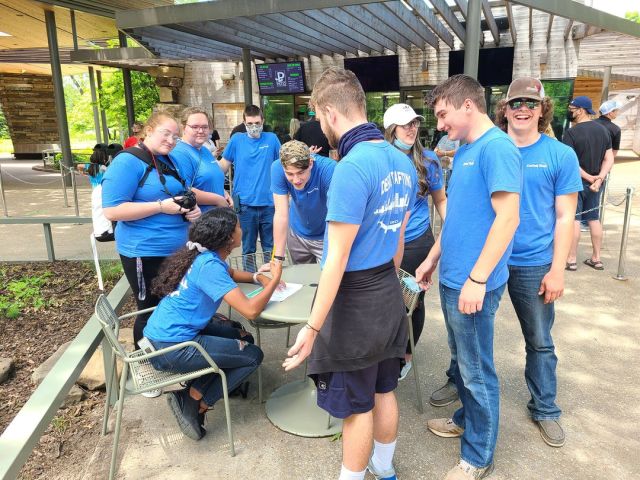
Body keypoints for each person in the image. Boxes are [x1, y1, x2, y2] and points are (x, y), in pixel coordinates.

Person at [283, 67, 417, 480]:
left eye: (319, 118)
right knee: (383, 389)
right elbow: (397, 245)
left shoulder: (351, 168)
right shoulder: (402, 162)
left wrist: (311, 326)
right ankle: (386, 469)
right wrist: (387, 290)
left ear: (328, 111)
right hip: (385, 291)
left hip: (355, 300)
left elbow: (335, 260)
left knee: (356, 407)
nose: (320, 127)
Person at [415, 74, 521, 480]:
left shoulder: (498, 149)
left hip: (473, 283)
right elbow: (457, 214)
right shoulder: (463, 149)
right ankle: (465, 417)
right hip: (454, 276)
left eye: (443, 115)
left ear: (467, 106)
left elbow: (508, 218)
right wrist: (432, 258)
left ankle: (477, 456)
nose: (440, 125)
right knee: (463, 362)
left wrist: (477, 279)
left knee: (477, 370)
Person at [495, 77, 582, 448]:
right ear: (505, 108)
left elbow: (566, 217)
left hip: (533, 263)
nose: (522, 109)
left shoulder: (560, 154)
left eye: (530, 103)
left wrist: (557, 268)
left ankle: (545, 408)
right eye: (516, 103)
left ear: (542, 109)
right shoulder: (491, 149)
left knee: (540, 341)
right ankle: (459, 386)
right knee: (467, 332)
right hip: (489, 258)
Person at [143, 208, 283, 440]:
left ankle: (217, 385)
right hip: (171, 347)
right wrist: (275, 280)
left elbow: (232, 273)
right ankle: (196, 401)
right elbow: (251, 309)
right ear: (229, 237)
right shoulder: (209, 267)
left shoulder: (205, 256)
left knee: (241, 336)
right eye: (238, 226)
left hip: (162, 334)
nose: (242, 229)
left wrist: (258, 277)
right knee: (252, 355)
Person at [102, 111, 201, 362]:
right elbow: (112, 210)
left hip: (177, 249)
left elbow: (183, 193)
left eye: (175, 136)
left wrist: (192, 209)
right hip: (144, 251)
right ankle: (143, 362)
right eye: (165, 133)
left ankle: (172, 358)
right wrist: (160, 206)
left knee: (173, 306)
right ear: (148, 131)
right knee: (149, 310)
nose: (170, 140)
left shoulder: (171, 160)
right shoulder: (127, 162)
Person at [383, 103, 446, 381]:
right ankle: (385, 352)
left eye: (414, 123)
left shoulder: (428, 160)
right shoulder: (379, 158)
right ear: (390, 129)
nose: (411, 128)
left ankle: (406, 356)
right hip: (383, 242)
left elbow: (441, 201)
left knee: (412, 302)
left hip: (417, 243)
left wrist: (452, 230)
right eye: (404, 123)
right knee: (383, 300)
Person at [219, 105, 281, 259]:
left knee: (270, 247)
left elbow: (283, 166)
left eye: (257, 123)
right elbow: (222, 168)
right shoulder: (237, 140)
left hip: (269, 203)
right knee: (247, 248)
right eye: (250, 124)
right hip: (244, 205)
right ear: (244, 123)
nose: (254, 127)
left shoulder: (272, 139)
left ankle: (271, 278)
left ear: (263, 121)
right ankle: (250, 278)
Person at [562, 96, 614, 271]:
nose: (570, 110)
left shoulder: (571, 133)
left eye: (572, 108)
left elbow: (571, 162)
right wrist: (599, 177)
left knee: (575, 219)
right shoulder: (603, 131)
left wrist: (589, 177)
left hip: (577, 182)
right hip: (596, 183)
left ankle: (571, 259)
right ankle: (597, 258)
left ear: (581, 110)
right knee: (594, 218)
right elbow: (609, 158)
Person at [270, 140, 335, 264]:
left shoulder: (329, 170)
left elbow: (336, 214)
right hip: (297, 233)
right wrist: (277, 259)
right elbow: (281, 214)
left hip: (325, 235)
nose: (296, 180)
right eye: (289, 174)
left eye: (301, 173)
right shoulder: (277, 168)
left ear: (310, 163)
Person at [171, 107, 232, 213]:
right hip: (201, 220)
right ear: (183, 127)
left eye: (205, 127)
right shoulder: (179, 153)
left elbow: (209, 180)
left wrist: (224, 194)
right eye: (195, 127)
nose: (201, 131)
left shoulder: (204, 150)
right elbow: (183, 190)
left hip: (218, 217)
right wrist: (218, 199)